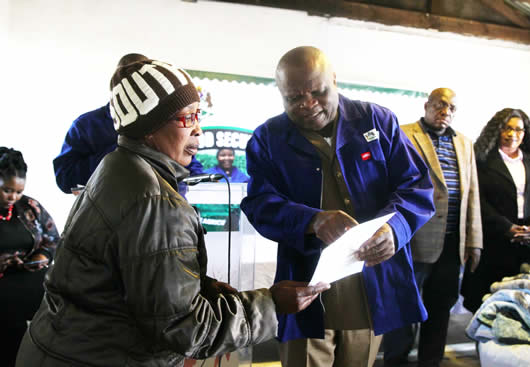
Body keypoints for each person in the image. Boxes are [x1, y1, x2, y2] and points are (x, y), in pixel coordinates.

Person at [16, 58, 329, 366]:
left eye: (199, 115)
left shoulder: (115, 167)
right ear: (150, 128)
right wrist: (272, 304)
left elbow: (123, 276)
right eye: (187, 118)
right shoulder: (155, 201)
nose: (198, 130)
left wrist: (197, 284)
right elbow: (187, 328)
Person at [240, 46, 435, 367]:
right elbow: (259, 203)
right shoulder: (268, 139)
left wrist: (395, 229)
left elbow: (417, 185)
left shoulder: (377, 121)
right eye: (294, 98)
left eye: (318, 92)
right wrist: (311, 221)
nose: (308, 105)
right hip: (306, 292)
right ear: (280, 94)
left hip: (370, 291)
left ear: (334, 80)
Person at [382, 88, 483, 367]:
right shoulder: (403, 134)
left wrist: (474, 242)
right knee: (403, 309)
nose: (445, 111)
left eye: (451, 107)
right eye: (440, 105)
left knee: (441, 309)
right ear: (427, 105)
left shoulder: (464, 143)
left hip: (452, 244)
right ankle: (396, 361)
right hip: (410, 241)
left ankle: (431, 361)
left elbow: (471, 195)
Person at [52, 53, 204, 196]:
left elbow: (189, 165)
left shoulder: (165, 125)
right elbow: (65, 178)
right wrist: (124, 151)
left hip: (168, 204)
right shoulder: (86, 124)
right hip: (110, 208)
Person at [461, 108, 530, 312]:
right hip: (495, 243)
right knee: (486, 304)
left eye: (518, 130)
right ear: (497, 131)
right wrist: (507, 227)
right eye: (507, 128)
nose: (512, 134)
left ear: (525, 133)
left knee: (525, 307)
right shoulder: (482, 161)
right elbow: (477, 201)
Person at [0, 147, 59, 367]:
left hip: (28, 279)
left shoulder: (29, 207)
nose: (13, 197)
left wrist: (41, 256)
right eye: (7, 190)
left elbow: (53, 239)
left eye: (18, 191)